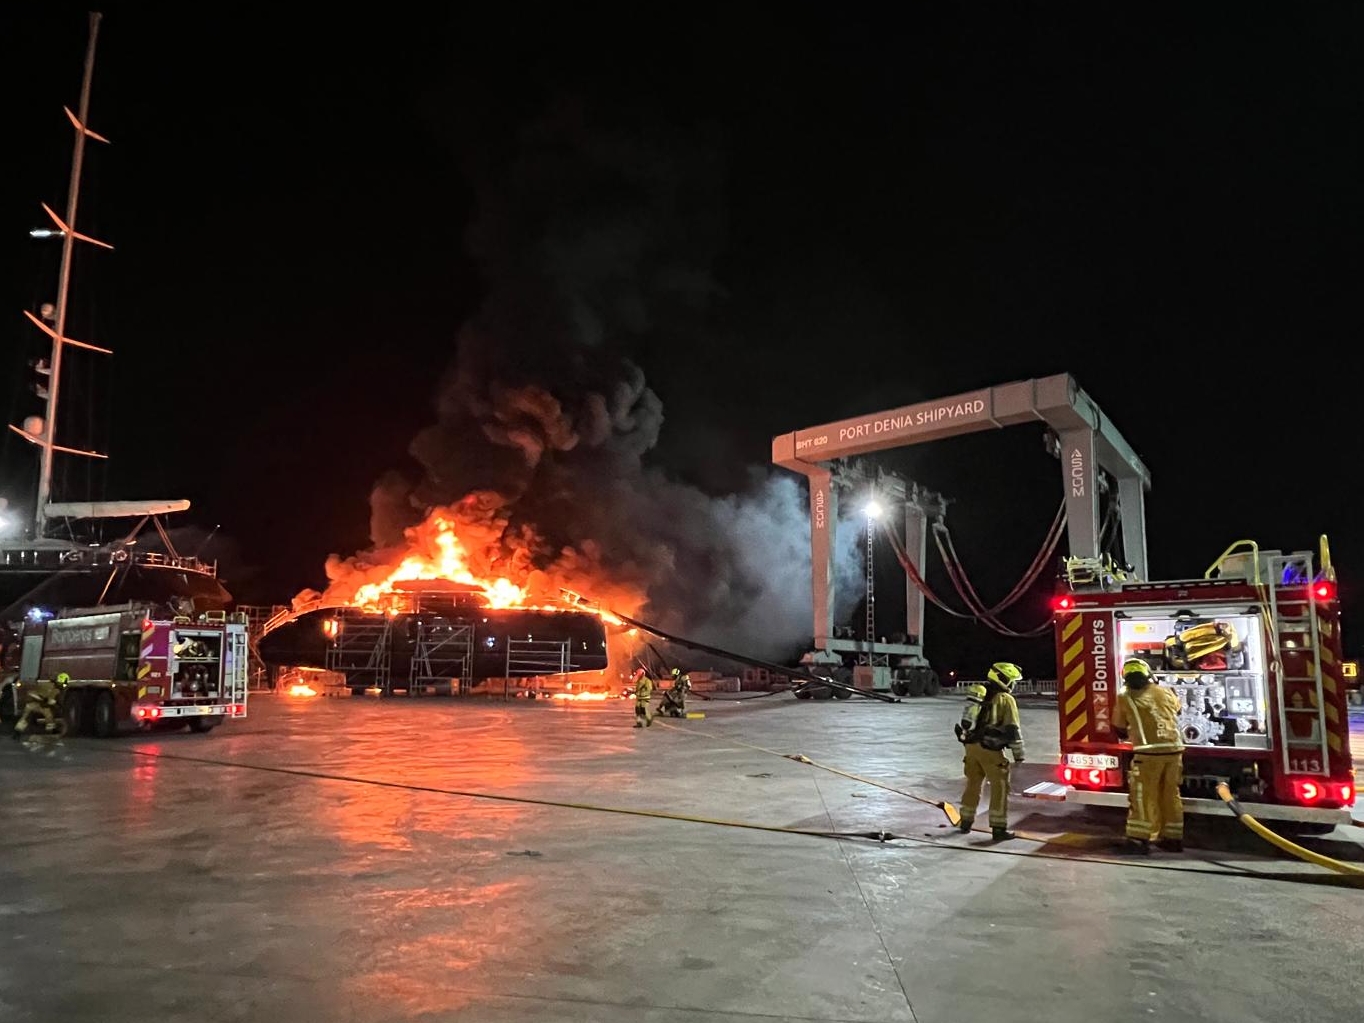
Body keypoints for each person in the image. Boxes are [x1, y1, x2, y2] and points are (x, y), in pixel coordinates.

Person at [1112, 657, 1185, 854]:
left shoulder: (1124, 696)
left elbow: (1118, 728)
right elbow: (1177, 709)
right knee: (1171, 795)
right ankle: (1173, 838)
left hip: (1149, 753)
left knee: (1142, 796)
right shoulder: (1165, 691)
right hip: (1174, 750)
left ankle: (1138, 839)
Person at [955, 661, 1026, 841]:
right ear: (1004, 679)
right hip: (990, 750)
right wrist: (1019, 755)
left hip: (971, 747)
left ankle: (965, 821)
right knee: (999, 786)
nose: (1013, 685)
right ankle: (998, 828)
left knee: (973, 784)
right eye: (1012, 681)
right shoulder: (1006, 699)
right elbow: (1013, 729)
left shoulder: (980, 694)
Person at [13, 672, 68, 740]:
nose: (64, 685)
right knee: (48, 714)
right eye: (64, 683)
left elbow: (34, 693)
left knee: (25, 718)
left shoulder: (48, 684)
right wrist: (57, 705)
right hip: (36, 703)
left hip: (32, 703)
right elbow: (49, 700)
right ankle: (52, 730)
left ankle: (17, 732)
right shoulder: (55, 689)